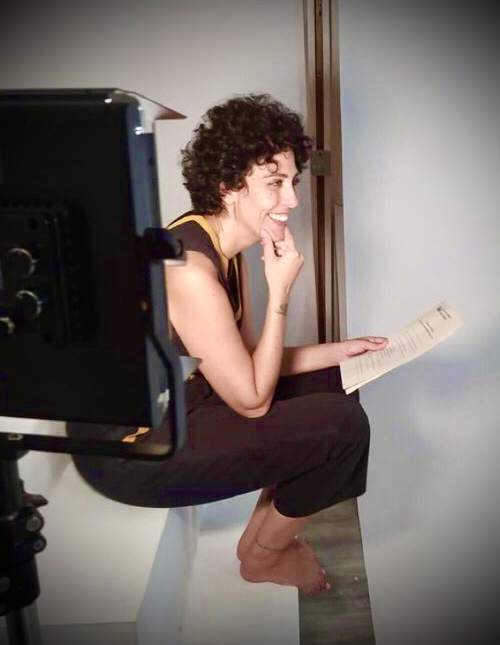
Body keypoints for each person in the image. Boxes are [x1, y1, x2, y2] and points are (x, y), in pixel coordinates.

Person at [67, 93, 387, 595]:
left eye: (293, 182)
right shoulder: (190, 271)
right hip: (132, 452)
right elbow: (252, 400)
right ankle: (265, 555)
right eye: (275, 183)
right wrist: (280, 292)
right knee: (344, 427)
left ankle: (259, 537)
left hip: (182, 400)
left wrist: (337, 352)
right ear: (228, 186)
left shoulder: (223, 242)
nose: (292, 200)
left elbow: (249, 363)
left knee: (340, 383)